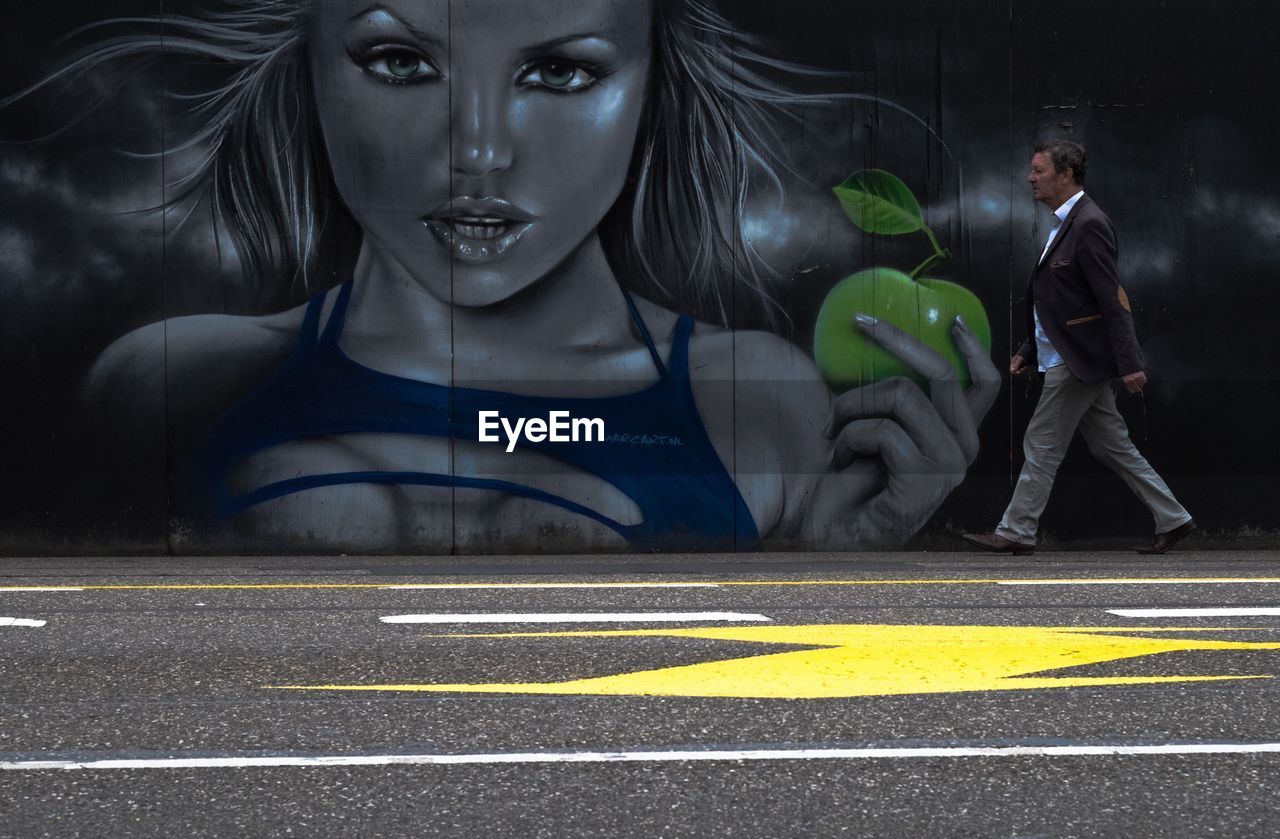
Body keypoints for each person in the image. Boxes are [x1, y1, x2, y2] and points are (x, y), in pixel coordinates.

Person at [22, 0, 999, 552]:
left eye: (559, 73)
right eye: (402, 61)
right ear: (308, 64)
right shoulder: (171, 383)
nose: (478, 151)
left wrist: (848, 553)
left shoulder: (756, 400)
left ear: (651, 81)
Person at [963, 139, 1194, 556]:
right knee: (1112, 445)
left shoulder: (1089, 223)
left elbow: (1111, 298)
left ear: (1066, 175)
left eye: (1039, 171)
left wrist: (1131, 363)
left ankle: (1016, 530)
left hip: (1077, 360)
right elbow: (1058, 302)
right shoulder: (1064, 223)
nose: (1030, 178)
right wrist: (1028, 350)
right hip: (1066, 355)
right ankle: (1174, 518)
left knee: (1041, 443)